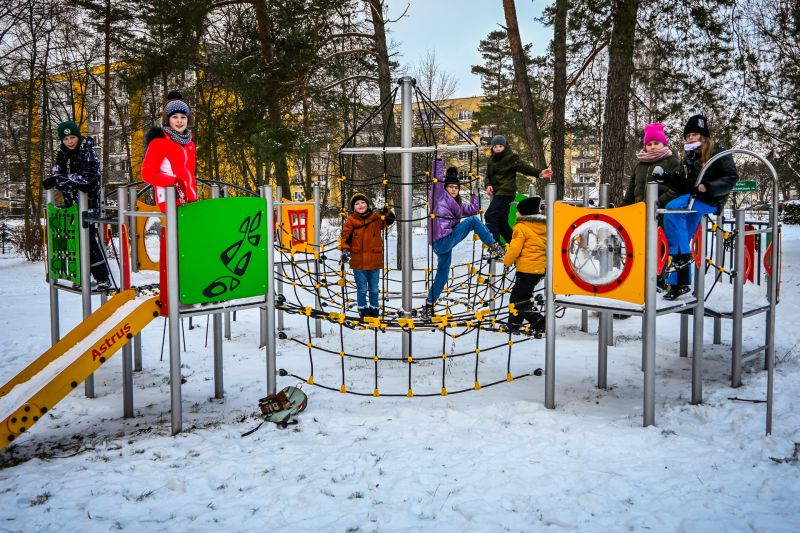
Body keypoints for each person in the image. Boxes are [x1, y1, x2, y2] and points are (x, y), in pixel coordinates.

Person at [659, 114, 739, 300]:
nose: (690, 138)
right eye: (687, 136)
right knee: (683, 237)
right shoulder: (690, 158)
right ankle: (680, 284)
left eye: (694, 134)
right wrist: (667, 178)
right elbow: (686, 185)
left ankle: (682, 256)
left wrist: (708, 187)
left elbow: (731, 177)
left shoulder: (718, 153)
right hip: (695, 199)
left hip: (710, 199)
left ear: (704, 136)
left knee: (672, 208)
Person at [421, 167, 505, 319]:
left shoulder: (457, 206)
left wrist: (476, 193)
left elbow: (473, 209)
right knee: (473, 221)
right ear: (445, 188)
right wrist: (439, 158)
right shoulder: (438, 197)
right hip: (443, 239)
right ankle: (494, 245)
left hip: (443, 245)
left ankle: (428, 306)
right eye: (451, 187)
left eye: (456, 188)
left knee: (443, 275)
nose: (453, 190)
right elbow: (437, 181)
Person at [43, 119, 112, 290]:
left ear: (78, 136)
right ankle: (82, 274)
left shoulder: (87, 152)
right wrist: (55, 180)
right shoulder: (62, 154)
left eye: (72, 137)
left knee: (88, 240)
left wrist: (62, 180)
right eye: (65, 139)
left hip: (88, 204)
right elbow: (57, 171)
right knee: (74, 240)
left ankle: (103, 277)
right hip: (71, 206)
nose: (69, 142)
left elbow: (88, 178)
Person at [484, 135, 552, 245]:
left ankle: (495, 246)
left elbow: (524, 167)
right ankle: (515, 246)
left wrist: (539, 173)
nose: (498, 148)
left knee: (490, 215)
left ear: (505, 146)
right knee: (502, 223)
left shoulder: (511, 158)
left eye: (500, 146)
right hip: (498, 193)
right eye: (495, 146)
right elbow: (487, 175)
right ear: (492, 148)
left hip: (506, 192)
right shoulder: (491, 160)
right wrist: (487, 185)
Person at [340, 192, 396, 319]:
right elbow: (346, 237)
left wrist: (383, 209)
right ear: (353, 207)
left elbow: (390, 220)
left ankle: (374, 309)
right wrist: (345, 250)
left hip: (374, 260)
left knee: (374, 288)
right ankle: (363, 309)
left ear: (367, 204)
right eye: (357, 204)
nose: (360, 205)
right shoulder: (351, 220)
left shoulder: (375, 218)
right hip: (358, 260)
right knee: (361, 289)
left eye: (363, 202)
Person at [141, 91, 197, 213]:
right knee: (175, 230)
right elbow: (147, 173)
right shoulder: (159, 143)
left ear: (188, 119)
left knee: (190, 231)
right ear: (168, 120)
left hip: (188, 198)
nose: (179, 121)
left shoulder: (190, 144)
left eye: (183, 117)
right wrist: (173, 182)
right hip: (169, 196)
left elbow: (189, 173)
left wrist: (192, 195)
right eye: (174, 117)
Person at [503, 196, 546, 333]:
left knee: (521, 300)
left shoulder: (521, 227)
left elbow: (514, 249)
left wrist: (507, 261)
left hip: (527, 269)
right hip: (539, 268)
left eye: (518, 211)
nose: (516, 214)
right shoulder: (544, 226)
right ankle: (514, 324)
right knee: (517, 297)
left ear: (524, 214)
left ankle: (539, 321)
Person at [620, 123, 682, 207]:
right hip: (639, 212)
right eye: (649, 144)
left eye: (656, 143)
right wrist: (623, 207)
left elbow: (677, 188)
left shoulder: (672, 161)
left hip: (661, 212)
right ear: (645, 147)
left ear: (663, 144)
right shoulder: (640, 165)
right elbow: (631, 190)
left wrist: (658, 203)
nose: (652, 147)